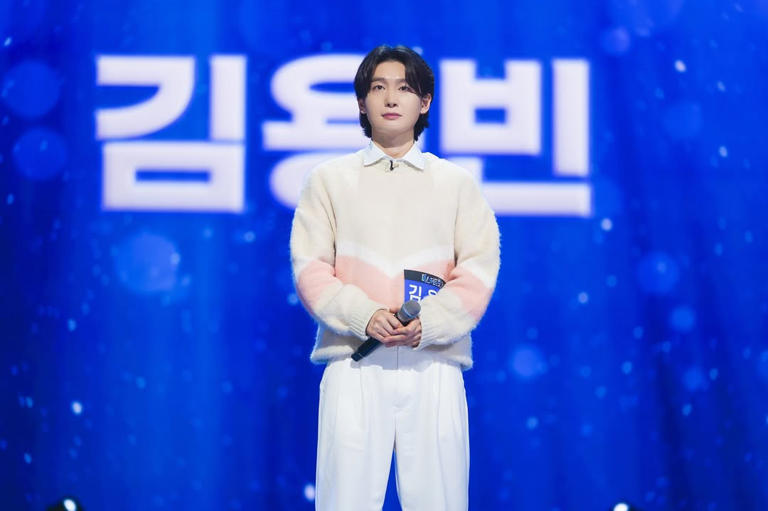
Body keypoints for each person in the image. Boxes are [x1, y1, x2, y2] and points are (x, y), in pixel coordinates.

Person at [290, 44, 500, 511]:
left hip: (434, 363)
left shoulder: (456, 184)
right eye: (378, 87)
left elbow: (478, 267)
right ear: (361, 101)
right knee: (344, 500)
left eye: (404, 88)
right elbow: (310, 267)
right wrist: (364, 316)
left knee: (440, 500)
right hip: (354, 361)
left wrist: (431, 324)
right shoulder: (328, 180)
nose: (390, 98)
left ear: (424, 102)